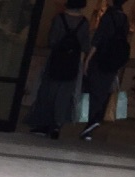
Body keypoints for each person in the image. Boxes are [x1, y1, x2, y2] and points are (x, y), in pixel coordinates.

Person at [28, 0, 91, 139]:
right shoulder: (84, 23)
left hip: (56, 61)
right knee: (64, 95)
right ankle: (57, 124)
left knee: (48, 92)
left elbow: (52, 40)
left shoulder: (59, 19)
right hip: (73, 63)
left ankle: (43, 124)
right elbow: (84, 46)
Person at [80, 0, 131, 139]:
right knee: (103, 91)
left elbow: (98, 38)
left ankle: (92, 119)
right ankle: (93, 121)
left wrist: (88, 59)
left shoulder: (108, 16)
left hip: (100, 58)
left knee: (92, 89)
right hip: (114, 61)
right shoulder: (124, 19)